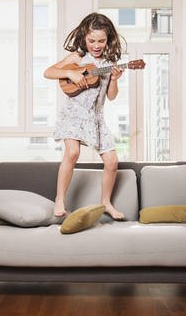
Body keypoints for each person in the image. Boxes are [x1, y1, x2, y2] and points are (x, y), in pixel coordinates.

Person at [44, 12, 125, 220]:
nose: (96, 45)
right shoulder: (78, 58)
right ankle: (60, 200)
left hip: (96, 118)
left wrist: (114, 79)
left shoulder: (108, 63)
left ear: (108, 39)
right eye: (92, 40)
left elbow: (112, 96)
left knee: (112, 161)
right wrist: (70, 73)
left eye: (101, 40)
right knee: (72, 153)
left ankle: (106, 202)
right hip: (74, 114)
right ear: (84, 38)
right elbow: (49, 72)